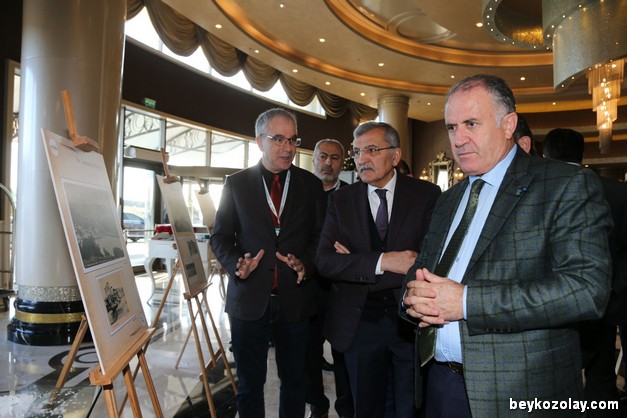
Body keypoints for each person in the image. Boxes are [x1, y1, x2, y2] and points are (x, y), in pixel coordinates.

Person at [401, 74, 612, 417]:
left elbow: (586, 290)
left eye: (471, 123)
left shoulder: (564, 184)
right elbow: (422, 268)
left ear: (508, 124)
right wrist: (412, 298)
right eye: (452, 127)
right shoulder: (448, 199)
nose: (459, 139)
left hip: (522, 393)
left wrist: (466, 302)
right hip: (438, 384)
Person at [316, 121, 441, 417]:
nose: (362, 159)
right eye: (357, 152)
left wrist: (356, 262)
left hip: (410, 321)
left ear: (395, 156)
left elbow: (430, 260)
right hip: (359, 324)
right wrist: (384, 261)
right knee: (367, 408)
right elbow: (325, 262)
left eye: (372, 150)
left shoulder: (426, 195)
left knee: (409, 408)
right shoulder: (341, 200)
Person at [210, 108, 324, 418]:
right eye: (278, 139)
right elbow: (220, 236)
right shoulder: (236, 184)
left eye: (293, 139)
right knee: (249, 385)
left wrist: (306, 265)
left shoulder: (311, 186)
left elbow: (320, 238)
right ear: (260, 141)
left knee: (295, 383)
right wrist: (237, 264)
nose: (288, 147)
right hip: (249, 299)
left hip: (296, 300)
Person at [543, 127, 627, 417]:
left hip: (551, 305)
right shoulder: (617, 191)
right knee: (601, 379)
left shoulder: (540, 192)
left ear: (546, 155)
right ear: (582, 154)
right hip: (607, 303)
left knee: (550, 385)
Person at [307, 138, 354, 418]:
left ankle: (346, 408)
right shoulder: (301, 193)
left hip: (341, 289)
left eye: (335, 158)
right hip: (308, 286)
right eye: (323, 156)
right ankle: (318, 405)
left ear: (342, 162)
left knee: (342, 353)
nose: (328, 163)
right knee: (309, 352)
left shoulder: (353, 195)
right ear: (314, 159)